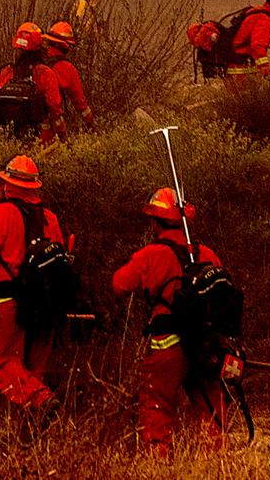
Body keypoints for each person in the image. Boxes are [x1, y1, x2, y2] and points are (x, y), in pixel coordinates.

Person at [110, 188, 234, 460]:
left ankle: (159, 462)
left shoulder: (151, 255)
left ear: (155, 222)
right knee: (211, 406)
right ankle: (218, 463)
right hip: (205, 346)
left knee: (157, 403)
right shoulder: (207, 254)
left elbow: (119, 283)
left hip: (168, 345)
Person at [0, 155, 67, 414]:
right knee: (35, 368)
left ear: (8, 185)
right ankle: (31, 432)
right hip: (46, 302)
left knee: (4, 364)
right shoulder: (49, 219)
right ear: (34, 187)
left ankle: (42, 399)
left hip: (8, 300)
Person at [0, 23, 67, 142]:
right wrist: (63, 135)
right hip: (40, 139)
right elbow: (55, 108)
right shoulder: (45, 73)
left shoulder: (6, 72)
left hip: (9, 139)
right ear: (39, 44)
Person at [40, 20, 94, 134]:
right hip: (48, 127)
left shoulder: (36, 61)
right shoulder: (67, 68)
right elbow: (79, 102)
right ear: (66, 45)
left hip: (19, 125)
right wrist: (91, 123)